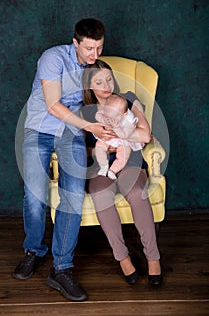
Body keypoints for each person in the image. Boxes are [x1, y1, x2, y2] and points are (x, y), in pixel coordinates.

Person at [13, 19, 112, 302]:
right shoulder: (53, 58)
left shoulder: (95, 68)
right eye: (90, 48)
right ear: (76, 43)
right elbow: (53, 105)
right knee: (34, 194)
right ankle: (34, 250)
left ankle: (62, 268)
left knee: (72, 195)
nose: (95, 55)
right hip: (41, 128)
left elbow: (104, 99)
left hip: (72, 133)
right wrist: (90, 127)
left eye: (100, 48)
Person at [81, 59, 162, 286]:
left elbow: (145, 136)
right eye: (99, 81)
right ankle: (123, 258)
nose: (106, 85)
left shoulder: (128, 99)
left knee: (137, 192)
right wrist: (103, 145)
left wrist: (120, 138)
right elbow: (81, 149)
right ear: (89, 86)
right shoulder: (86, 113)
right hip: (101, 167)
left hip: (131, 162)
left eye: (108, 78)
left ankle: (153, 257)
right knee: (101, 196)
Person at [94, 93, 144, 180]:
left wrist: (116, 127)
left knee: (123, 156)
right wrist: (104, 119)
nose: (110, 119)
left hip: (123, 141)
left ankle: (112, 171)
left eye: (114, 117)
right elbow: (97, 115)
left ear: (124, 114)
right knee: (99, 146)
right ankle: (103, 165)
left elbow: (125, 135)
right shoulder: (108, 111)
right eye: (107, 114)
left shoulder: (129, 120)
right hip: (109, 138)